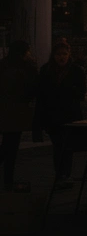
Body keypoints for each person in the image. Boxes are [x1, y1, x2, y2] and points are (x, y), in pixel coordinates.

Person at [36, 39, 86, 190]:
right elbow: (41, 94)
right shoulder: (46, 70)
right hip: (52, 115)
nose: (61, 57)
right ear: (54, 55)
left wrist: (68, 91)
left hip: (70, 114)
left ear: (69, 54)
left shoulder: (76, 71)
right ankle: (60, 175)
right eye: (58, 54)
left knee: (67, 145)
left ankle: (66, 174)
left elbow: (81, 92)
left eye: (64, 54)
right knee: (58, 145)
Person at [1, 41, 39, 191]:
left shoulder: (3, 65)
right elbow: (32, 87)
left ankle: (8, 180)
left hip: (5, 110)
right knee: (10, 147)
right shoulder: (25, 67)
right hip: (17, 111)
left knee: (8, 144)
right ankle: (8, 181)